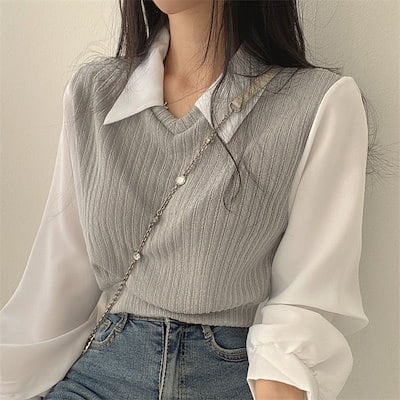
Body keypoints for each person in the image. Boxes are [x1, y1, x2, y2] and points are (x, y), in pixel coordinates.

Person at [0, 0, 371, 399]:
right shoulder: (94, 94)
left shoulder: (316, 102)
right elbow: (59, 283)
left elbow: (303, 304)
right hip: (99, 378)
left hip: (231, 380)